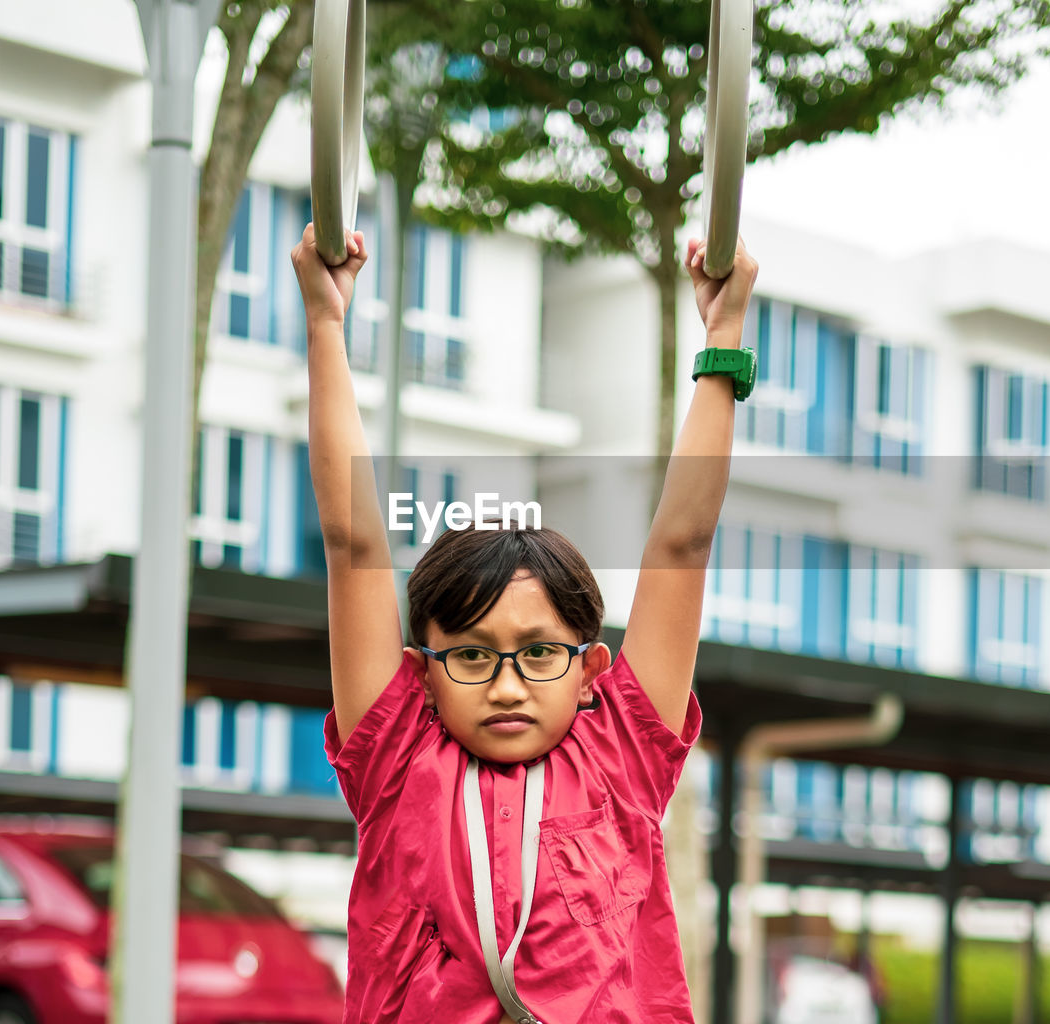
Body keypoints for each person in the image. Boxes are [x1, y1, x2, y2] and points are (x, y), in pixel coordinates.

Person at [290, 222, 758, 1023]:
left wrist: (724, 335)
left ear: (591, 673)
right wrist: (327, 324)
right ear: (421, 674)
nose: (507, 685)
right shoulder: (397, 755)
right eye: (471, 657)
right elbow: (352, 540)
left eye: (539, 653)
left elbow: (683, 540)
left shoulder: (624, 756)